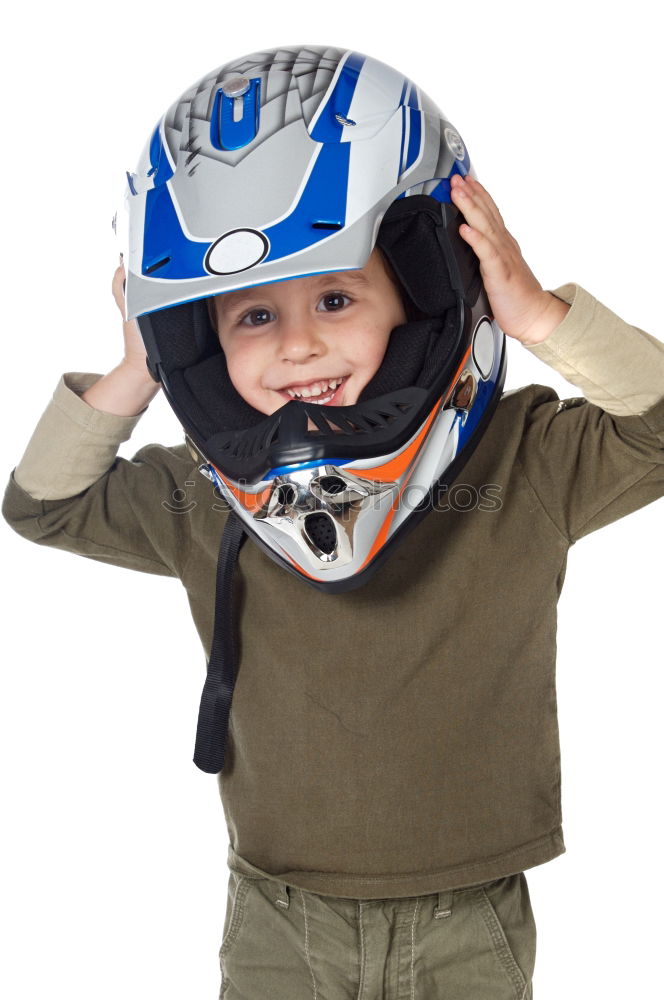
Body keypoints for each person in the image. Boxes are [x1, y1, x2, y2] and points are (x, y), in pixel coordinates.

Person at [3, 46, 664, 999]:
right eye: (251, 318)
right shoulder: (202, 494)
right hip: (278, 909)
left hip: (467, 912)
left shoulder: (523, 465)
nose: (300, 344)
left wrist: (535, 311)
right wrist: (139, 365)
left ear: (429, 293)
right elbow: (43, 505)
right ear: (199, 341)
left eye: (336, 297)